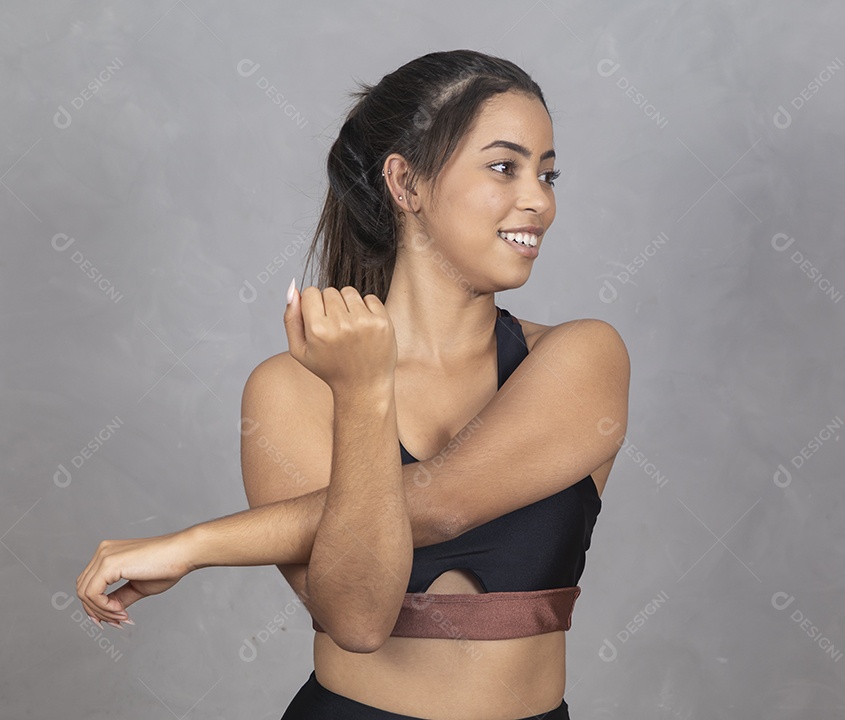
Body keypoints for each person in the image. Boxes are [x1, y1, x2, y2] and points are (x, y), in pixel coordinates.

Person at [76, 49, 630, 719]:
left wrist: (197, 544)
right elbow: (360, 621)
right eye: (503, 167)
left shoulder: (582, 356)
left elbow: (444, 501)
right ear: (406, 183)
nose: (538, 199)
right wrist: (365, 395)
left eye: (548, 173)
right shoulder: (289, 389)